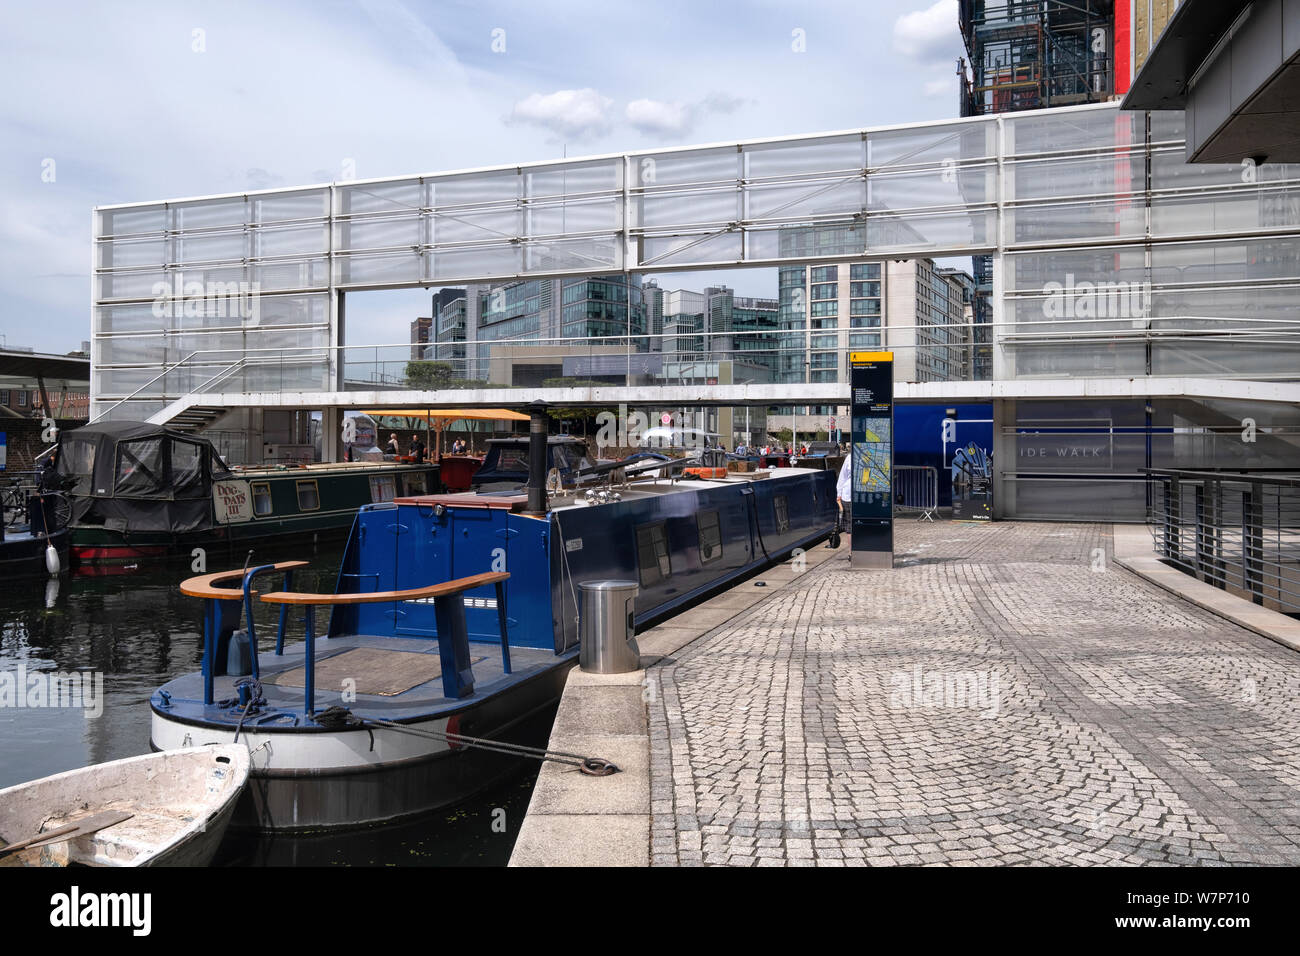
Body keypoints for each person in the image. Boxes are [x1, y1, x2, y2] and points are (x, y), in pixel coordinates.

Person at [836, 452, 852, 523]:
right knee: (849, 526)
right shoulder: (849, 457)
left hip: (864, 496)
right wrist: (839, 494)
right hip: (848, 497)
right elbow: (842, 476)